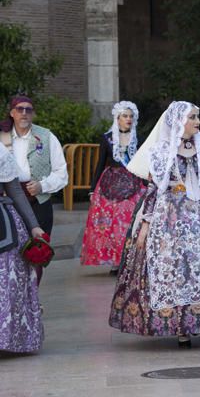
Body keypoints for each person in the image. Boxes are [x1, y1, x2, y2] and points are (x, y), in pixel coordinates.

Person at [108, 101, 200, 348]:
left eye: (198, 117)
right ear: (179, 122)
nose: (198, 122)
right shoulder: (162, 151)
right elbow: (155, 189)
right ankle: (180, 327)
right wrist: (145, 223)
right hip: (172, 216)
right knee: (175, 266)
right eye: (193, 117)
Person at [80, 101, 147, 274]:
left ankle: (131, 260)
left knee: (129, 221)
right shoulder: (107, 138)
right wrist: (92, 188)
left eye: (131, 116)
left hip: (133, 183)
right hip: (110, 184)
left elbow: (143, 163)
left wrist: (148, 185)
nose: (128, 119)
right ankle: (116, 262)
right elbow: (100, 163)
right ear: (117, 119)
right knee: (112, 224)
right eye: (125, 116)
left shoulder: (138, 138)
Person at [0, 95, 67, 240]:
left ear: (33, 114)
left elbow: (61, 171)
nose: (24, 113)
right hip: (7, 203)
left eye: (28, 110)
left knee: (38, 249)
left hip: (38, 201)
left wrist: (42, 186)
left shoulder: (46, 136)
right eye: (20, 109)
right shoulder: (2, 135)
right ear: (12, 113)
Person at [0, 146, 46, 353]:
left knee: (9, 283)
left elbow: (15, 190)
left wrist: (33, 225)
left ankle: (8, 340)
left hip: (4, 224)